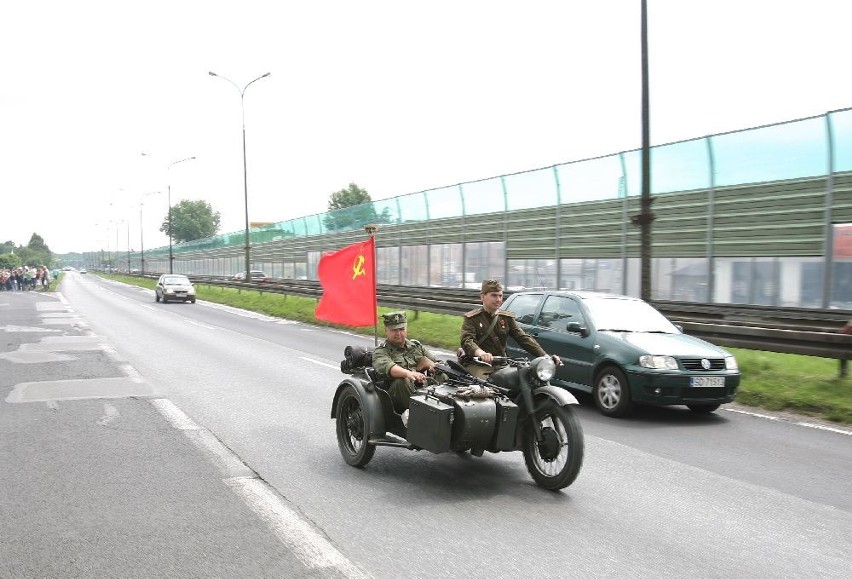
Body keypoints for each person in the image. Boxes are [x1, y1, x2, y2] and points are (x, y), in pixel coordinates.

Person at [460, 279, 562, 374]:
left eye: (500, 296)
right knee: (485, 389)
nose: (498, 299)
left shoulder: (506, 318)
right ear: (482, 297)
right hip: (478, 365)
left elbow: (523, 338)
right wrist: (481, 353)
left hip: (502, 365)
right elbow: (467, 341)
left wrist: (545, 356)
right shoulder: (472, 318)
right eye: (494, 295)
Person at [371, 311, 440, 418]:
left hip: (421, 387)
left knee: (443, 374)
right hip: (395, 396)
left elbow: (437, 363)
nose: (398, 333)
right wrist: (408, 373)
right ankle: (423, 417)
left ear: (406, 330)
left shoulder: (416, 346)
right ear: (386, 331)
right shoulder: (381, 351)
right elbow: (389, 367)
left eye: (401, 329)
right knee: (403, 381)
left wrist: (433, 367)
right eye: (394, 330)